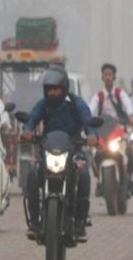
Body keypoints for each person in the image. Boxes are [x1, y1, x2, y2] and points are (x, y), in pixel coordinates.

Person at [22, 66, 98, 241]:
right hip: (48, 151)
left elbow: (87, 120)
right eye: (49, 89)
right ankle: (34, 222)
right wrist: (27, 130)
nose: (52, 93)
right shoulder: (44, 105)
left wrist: (92, 134)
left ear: (63, 89)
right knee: (33, 173)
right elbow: (32, 118)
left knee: (83, 174)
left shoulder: (76, 103)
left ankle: (80, 223)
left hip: (74, 150)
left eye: (56, 89)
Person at [90, 63, 133, 194]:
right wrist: (86, 122)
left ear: (114, 77)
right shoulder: (98, 96)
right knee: (94, 154)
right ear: (102, 77)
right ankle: (99, 181)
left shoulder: (120, 93)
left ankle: (132, 179)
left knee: (129, 151)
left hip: (119, 131)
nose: (108, 77)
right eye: (105, 75)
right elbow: (90, 111)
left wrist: (131, 116)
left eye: (110, 75)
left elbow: (128, 106)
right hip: (102, 132)